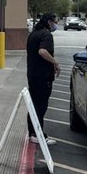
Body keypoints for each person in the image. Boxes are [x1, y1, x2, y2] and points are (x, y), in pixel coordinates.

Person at [26, 13, 60, 144]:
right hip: (42, 76)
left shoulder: (33, 34)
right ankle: (39, 134)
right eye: (55, 21)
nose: (55, 24)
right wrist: (55, 62)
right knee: (41, 106)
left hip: (32, 74)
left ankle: (33, 133)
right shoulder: (46, 35)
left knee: (34, 105)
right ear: (49, 22)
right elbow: (42, 51)